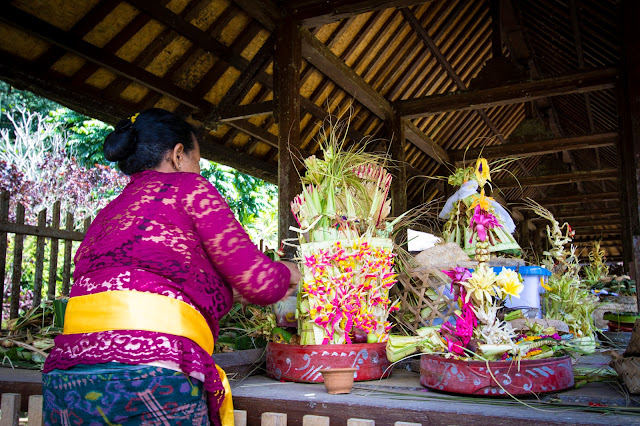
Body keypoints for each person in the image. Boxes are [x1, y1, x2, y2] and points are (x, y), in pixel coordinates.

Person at [42, 108, 300, 425]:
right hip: (151, 376)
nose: (198, 172)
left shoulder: (108, 214)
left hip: (68, 375)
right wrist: (292, 271)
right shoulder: (189, 188)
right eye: (197, 162)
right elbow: (260, 282)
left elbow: (146, 281)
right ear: (179, 155)